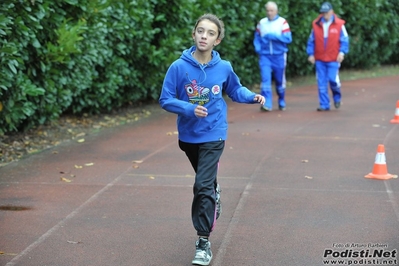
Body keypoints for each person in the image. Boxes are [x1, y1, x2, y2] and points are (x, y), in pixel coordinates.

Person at [159, 13, 265, 266]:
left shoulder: (224, 67)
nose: (204, 36)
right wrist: (188, 109)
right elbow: (165, 99)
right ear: (193, 34)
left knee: (202, 185)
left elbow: (235, 89)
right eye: (201, 31)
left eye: (210, 33)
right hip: (188, 136)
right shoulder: (178, 67)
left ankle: (203, 242)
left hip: (215, 132)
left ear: (217, 40)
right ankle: (213, 190)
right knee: (206, 182)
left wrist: (251, 97)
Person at [306, 2, 349, 111]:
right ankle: (324, 104)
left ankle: (336, 96)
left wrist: (341, 52)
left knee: (332, 79)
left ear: (331, 12)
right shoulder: (316, 24)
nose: (325, 14)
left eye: (326, 12)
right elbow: (311, 41)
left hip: (333, 58)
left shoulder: (339, 24)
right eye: (323, 12)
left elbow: (344, 40)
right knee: (321, 82)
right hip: (320, 58)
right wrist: (310, 54)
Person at [253, 1, 292, 112]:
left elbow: (288, 38)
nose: (269, 13)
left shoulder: (282, 22)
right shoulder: (262, 23)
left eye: (272, 11)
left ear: (276, 11)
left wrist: (274, 36)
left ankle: (281, 100)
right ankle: (267, 104)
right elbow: (257, 37)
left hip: (279, 55)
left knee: (280, 81)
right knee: (265, 80)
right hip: (265, 56)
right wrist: (258, 47)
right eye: (268, 10)